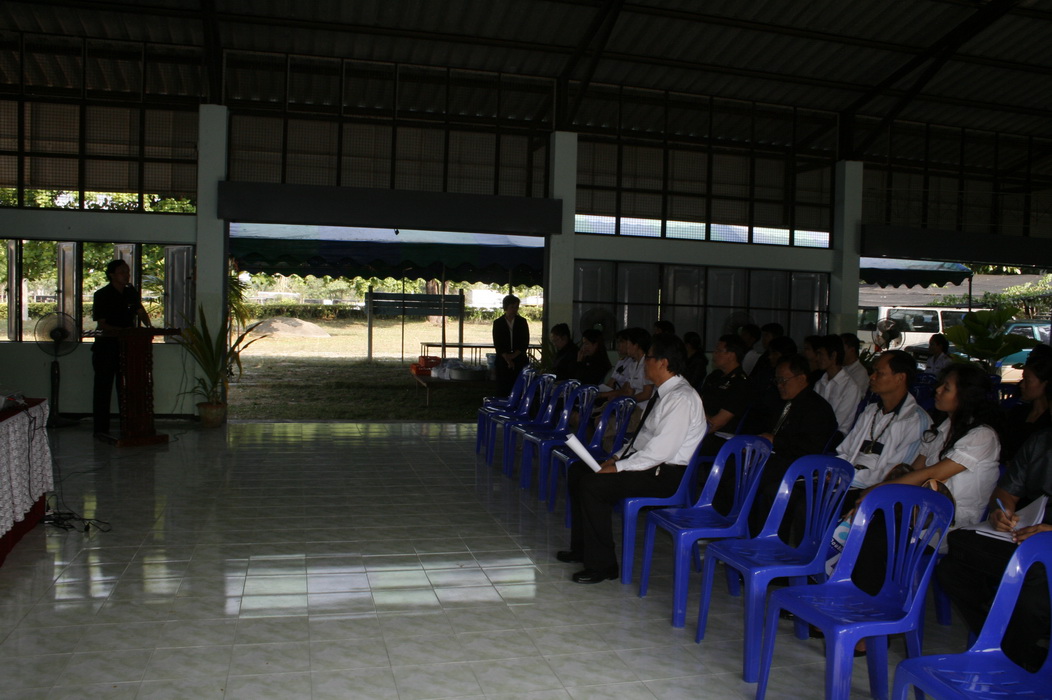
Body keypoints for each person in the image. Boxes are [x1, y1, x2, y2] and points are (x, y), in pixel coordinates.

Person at [851, 363, 1002, 613]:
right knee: (866, 521)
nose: (937, 390)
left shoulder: (982, 436)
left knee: (880, 535)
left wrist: (878, 490)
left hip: (950, 525)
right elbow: (913, 472)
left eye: (947, 388)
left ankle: (872, 614)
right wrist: (877, 495)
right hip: (919, 513)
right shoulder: (941, 429)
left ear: (966, 395)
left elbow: (933, 474)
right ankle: (855, 601)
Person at [556, 334, 706, 583]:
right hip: (650, 466)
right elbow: (643, 439)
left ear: (663, 362)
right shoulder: (664, 393)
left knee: (593, 485)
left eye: (649, 358)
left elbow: (660, 452)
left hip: (664, 475)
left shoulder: (681, 398)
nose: (645, 363)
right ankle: (583, 549)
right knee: (578, 471)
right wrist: (615, 457)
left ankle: (603, 566)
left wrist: (618, 468)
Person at [936, 428, 1052, 671]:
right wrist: (1001, 510)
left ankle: (1012, 657)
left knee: (1036, 578)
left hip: (1044, 547)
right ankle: (1004, 642)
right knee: (953, 566)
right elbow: (1006, 492)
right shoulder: (1041, 440)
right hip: (1028, 533)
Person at [749, 354, 838, 536]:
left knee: (759, 481)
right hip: (778, 458)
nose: (779, 385)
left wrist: (776, 441)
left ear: (802, 378)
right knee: (738, 469)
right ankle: (740, 530)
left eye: (783, 380)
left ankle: (764, 539)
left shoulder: (817, 409)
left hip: (798, 465)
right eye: (777, 380)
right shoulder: (785, 403)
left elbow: (810, 449)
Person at [836, 349, 932, 508]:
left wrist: (846, 477)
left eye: (879, 373)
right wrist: (836, 472)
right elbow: (846, 450)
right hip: (848, 480)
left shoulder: (916, 420)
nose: (872, 377)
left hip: (877, 491)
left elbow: (895, 474)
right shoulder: (871, 410)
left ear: (900, 378)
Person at [92, 259, 152, 437]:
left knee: (126, 387)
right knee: (103, 387)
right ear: (112, 275)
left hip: (127, 347)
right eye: (122, 272)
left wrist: (149, 327)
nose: (126, 275)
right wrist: (122, 331)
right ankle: (101, 428)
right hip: (106, 347)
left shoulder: (130, 292)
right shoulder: (102, 294)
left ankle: (128, 425)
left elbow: (140, 312)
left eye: (128, 272)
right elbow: (102, 324)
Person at [698, 334, 750, 453]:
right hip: (700, 426)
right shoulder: (714, 376)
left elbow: (716, 424)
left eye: (719, 350)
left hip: (718, 436)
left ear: (731, 355)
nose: (714, 354)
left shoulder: (740, 383)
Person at [1001, 350, 1051, 462]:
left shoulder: (1048, 421)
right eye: (1023, 379)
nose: (1022, 385)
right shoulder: (1018, 412)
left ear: (1045, 383)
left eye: (1028, 380)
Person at [814, 334, 863, 438]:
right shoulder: (820, 383)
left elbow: (837, 422)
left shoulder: (850, 387)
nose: (817, 359)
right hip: (817, 433)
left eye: (820, 354)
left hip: (836, 438)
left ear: (833, 355)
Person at [492, 294, 530, 396]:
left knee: (519, 387)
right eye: (512, 307)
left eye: (516, 307)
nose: (514, 310)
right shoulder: (498, 323)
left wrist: (514, 356)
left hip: (519, 358)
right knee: (503, 387)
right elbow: (498, 343)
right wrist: (507, 358)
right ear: (506, 307)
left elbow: (525, 341)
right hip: (503, 360)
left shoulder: (522, 322)